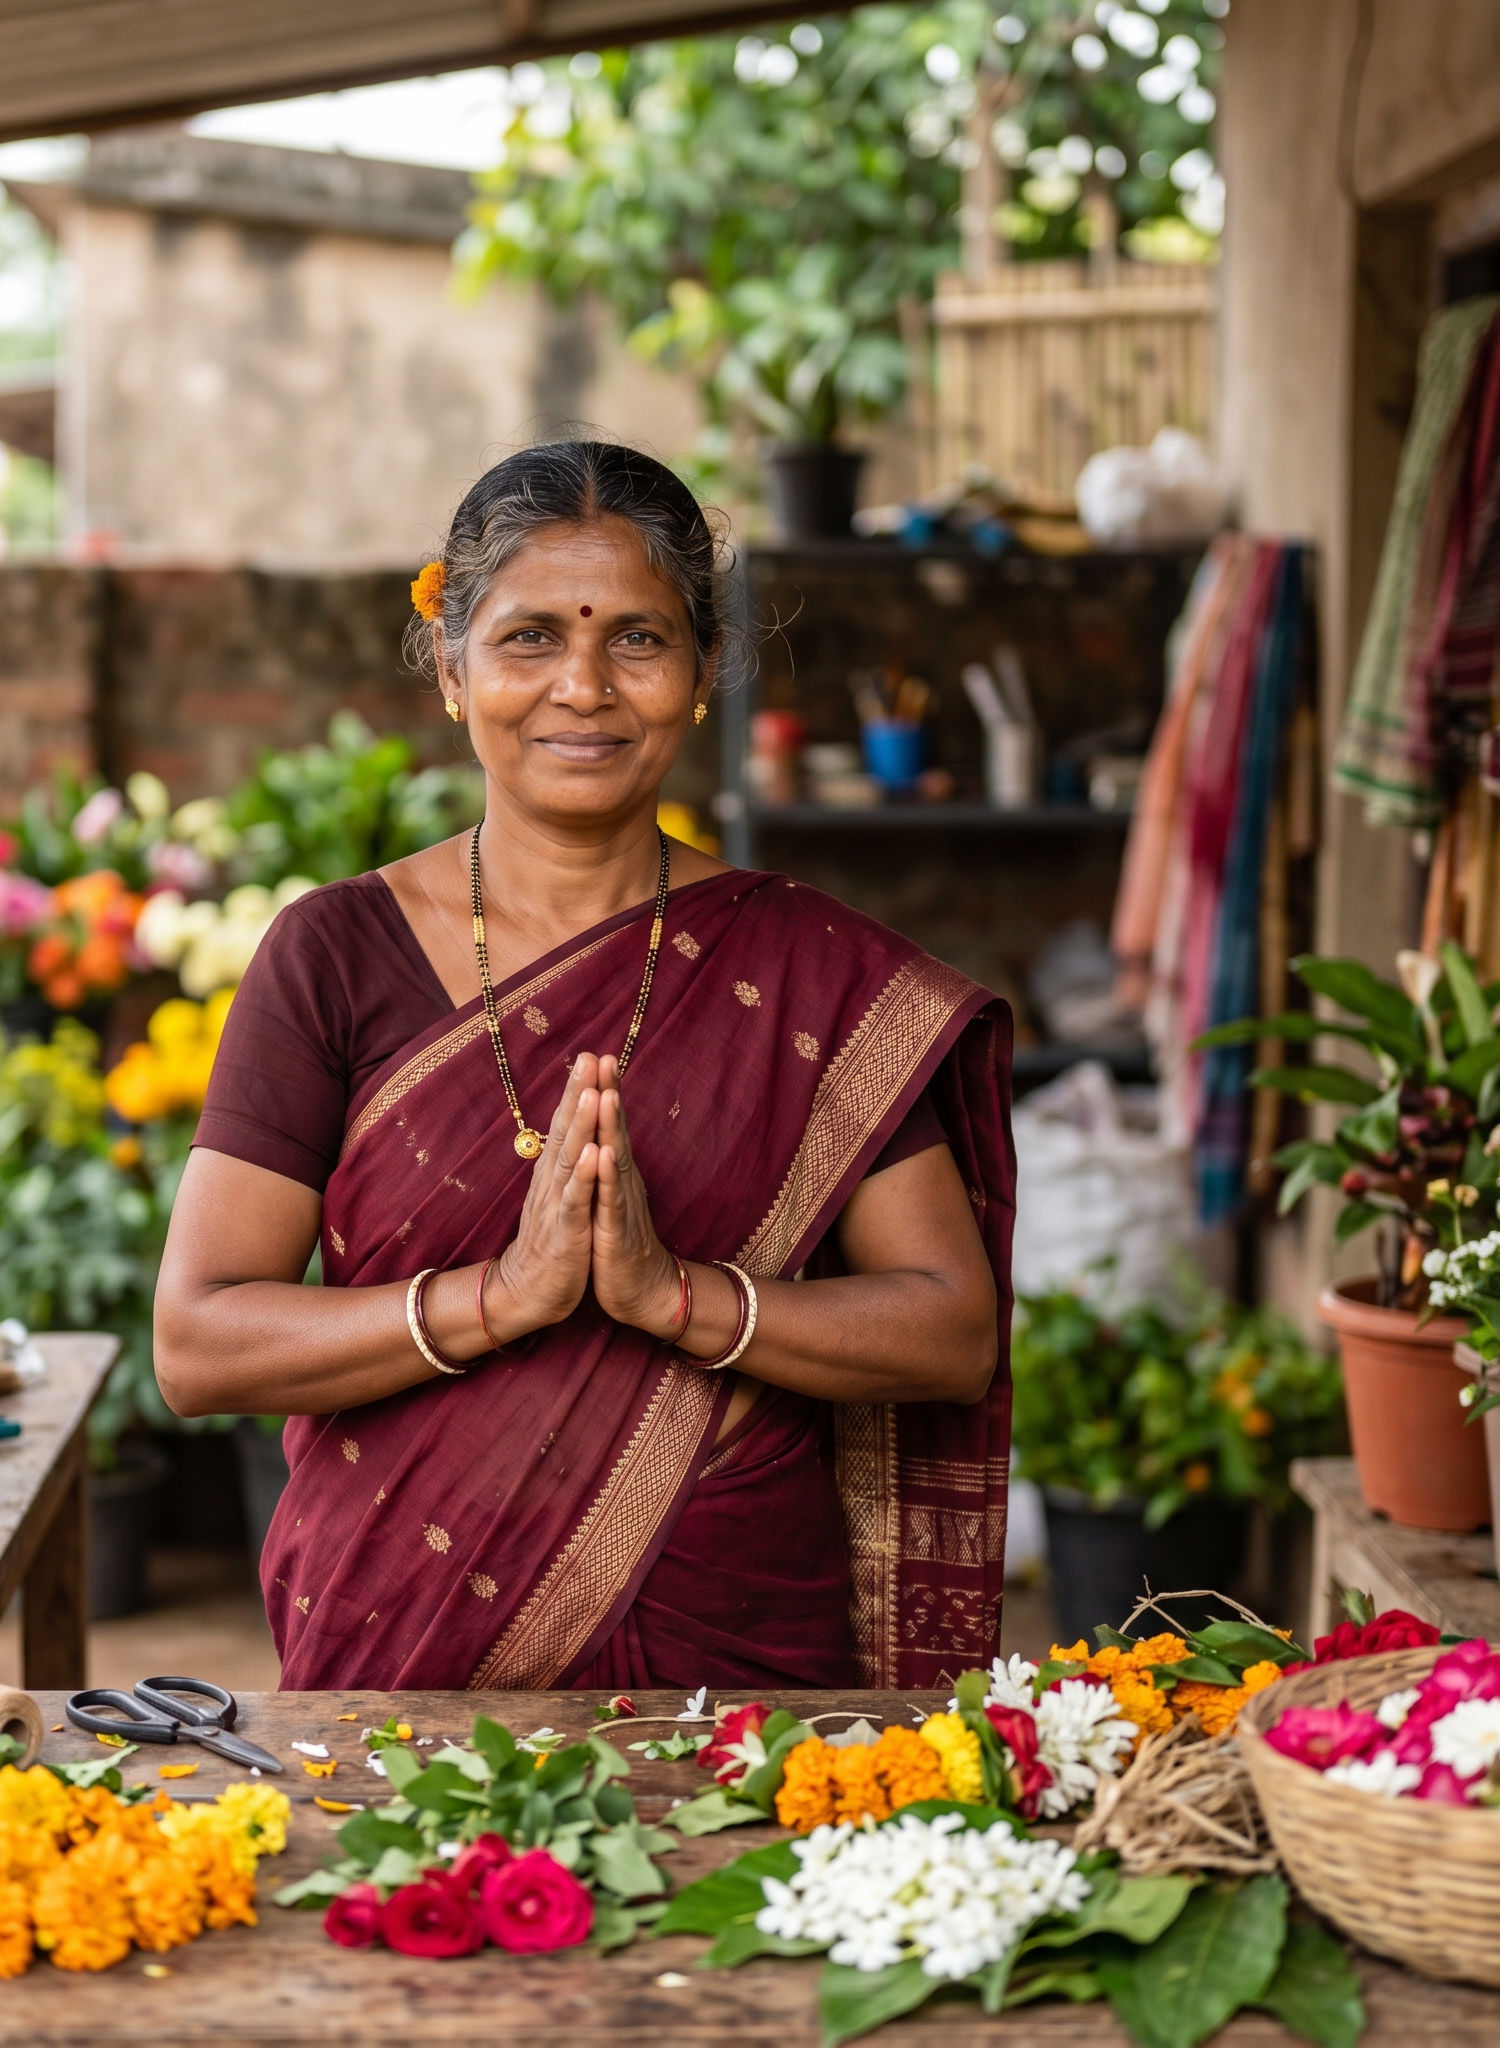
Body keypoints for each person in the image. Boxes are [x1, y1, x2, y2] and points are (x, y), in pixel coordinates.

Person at [155, 441, 1012, 1694]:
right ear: (451, 669)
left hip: (740, 1674)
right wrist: (499, 1297)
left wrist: (678, 1298)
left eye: (639, 640)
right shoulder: (333, 955)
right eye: (527, 637)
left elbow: (946, 1328)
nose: (583, 686)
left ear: (702, 672)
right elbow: (198, 1341)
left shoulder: (805, 965)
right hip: (402, 1659)